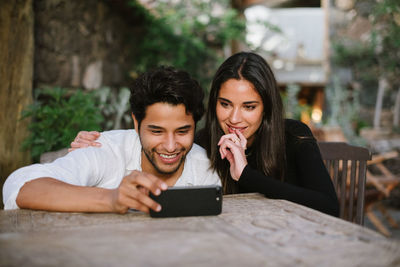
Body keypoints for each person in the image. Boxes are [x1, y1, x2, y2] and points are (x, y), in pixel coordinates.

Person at [70, 52, 339, 217]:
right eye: (225, 104)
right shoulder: (200, 143)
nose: (234, 118)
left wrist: (246, 175)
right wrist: (100, 146)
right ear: (213, 103)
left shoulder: (294, 135)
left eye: (249, 107)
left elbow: (329, 207)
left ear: (267, 107)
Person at [2, 66, 221, 213]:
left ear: (195, 126)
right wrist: (111, 198)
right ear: (136, 123)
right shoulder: (105, 150)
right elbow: (19, 185)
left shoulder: (204, 170)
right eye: (157, 131)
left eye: (182, 131)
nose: (171, 146)